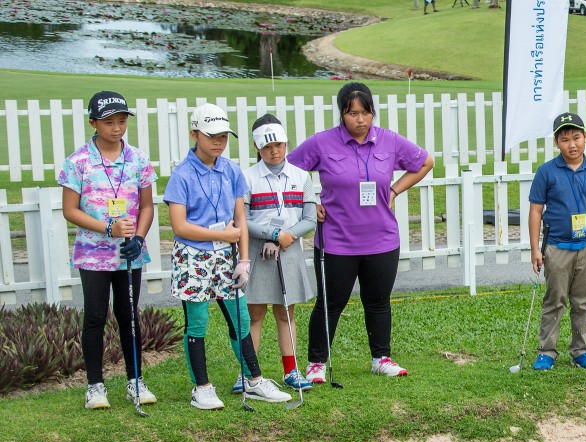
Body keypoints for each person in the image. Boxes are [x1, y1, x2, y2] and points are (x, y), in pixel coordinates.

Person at [288, 82, 434, 379]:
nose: (359, 120)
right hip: (336, 241)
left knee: (378, 301)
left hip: (381, 240)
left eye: (365, 112)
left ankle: (381, 358)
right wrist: (309, 203)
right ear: (342, 114)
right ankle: (316, 363)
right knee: (330, 303)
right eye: (352, 113)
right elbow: (288, 171)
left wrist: (393, 191)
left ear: (372, 113)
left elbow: (426, 162)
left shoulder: (390, 142)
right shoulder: (322, 143)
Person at [164, 103, 292, 409]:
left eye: (223, 135)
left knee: (240, 319)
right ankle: (202, 388)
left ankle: (255, 379)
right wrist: (223, 236)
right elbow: (179, 225)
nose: (219, 141)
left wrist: (244, 259)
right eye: (212, 136)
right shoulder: (182, 174)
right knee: (197, 322)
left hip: (226, 256)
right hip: (192, 256)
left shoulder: (231, 170)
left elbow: (240, 219)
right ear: (194, 134)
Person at [58, 91, 157, 409]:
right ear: (93, 123)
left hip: (130, 252)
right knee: (95, 317)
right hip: (93, 253)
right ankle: (95, 386)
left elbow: (147, 206)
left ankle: (135, 381)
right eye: (109, 122)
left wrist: (139, 238)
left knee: (128, 315)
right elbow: (70, 211)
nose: (117, 128)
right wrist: (107, 229)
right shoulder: (78, 162)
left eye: (122, 121)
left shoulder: (138, 159)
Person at [527, 112, 586, 371]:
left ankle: (580, 350)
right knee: (555, 299)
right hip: (557, 246)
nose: (571, 144)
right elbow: (535, 211)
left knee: (583, 300)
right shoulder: (546, 172)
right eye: (565, 140)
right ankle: (546, 351)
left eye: (576, 138)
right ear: (556, 143)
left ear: (585, 138)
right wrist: (535, 249)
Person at [240, 114, 318, 393]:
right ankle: (249, 372)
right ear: (257, 147)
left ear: (286, 143)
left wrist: (287, 236)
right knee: (255, 313)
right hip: (259, 251)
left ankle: (291, 370)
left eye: (280, 145)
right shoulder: (247, 178)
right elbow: (242, 219)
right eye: (267, 147)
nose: (274, 151)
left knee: (286, 312)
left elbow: (310, 218)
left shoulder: (301, 176)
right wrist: (272, 234)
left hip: (289, 249)